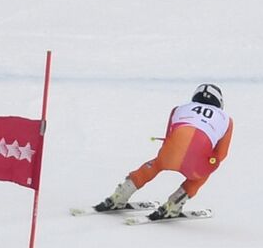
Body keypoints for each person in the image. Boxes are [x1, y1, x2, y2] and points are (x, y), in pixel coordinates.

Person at [95, 84, 233, 219]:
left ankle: (120, 194)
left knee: (156, 165)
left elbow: (169, 137)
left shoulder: (178, 109)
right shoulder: (226, 119)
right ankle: (174, 204)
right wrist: (209, 161)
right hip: (196, 165)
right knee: (205, 172)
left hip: (170, 154)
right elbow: (221, 155)